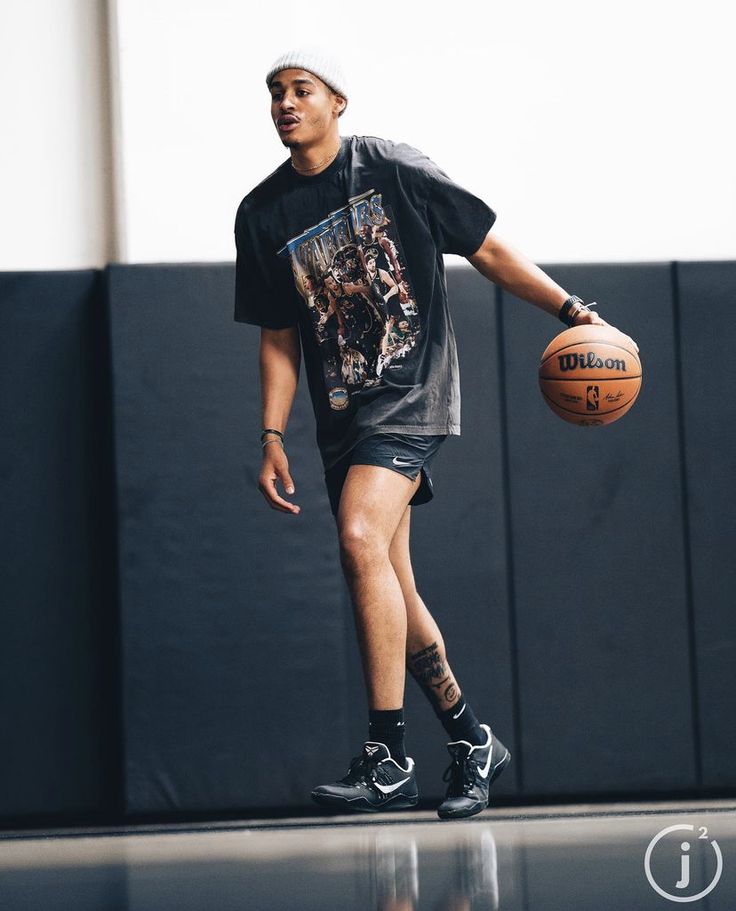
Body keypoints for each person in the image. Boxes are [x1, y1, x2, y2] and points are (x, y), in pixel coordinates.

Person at [233, 46, 638, 820]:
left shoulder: (392, 168)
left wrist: (572, 311)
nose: (285, 101)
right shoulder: (261, 212)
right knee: (392, 582)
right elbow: (279, 334)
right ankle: (470, 737)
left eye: (301, 88)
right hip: (339, 418)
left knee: (357, 534)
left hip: (413, 397)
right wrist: (271, 436)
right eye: (275, 92)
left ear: (336, 102)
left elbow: (486, 248)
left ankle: (387, 756)